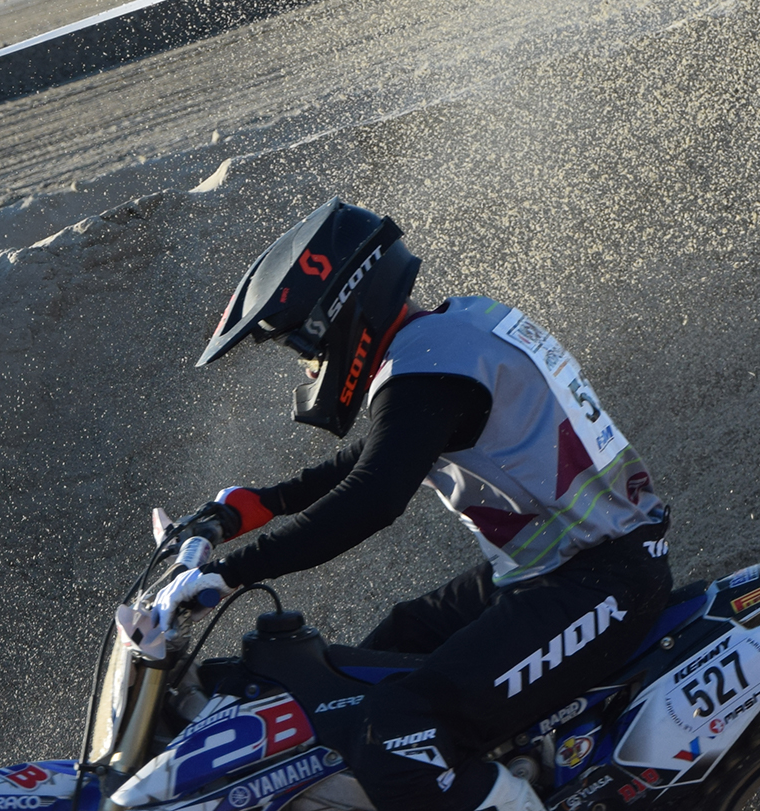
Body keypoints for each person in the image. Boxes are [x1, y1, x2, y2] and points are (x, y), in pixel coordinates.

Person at [149, 200, 672, 811]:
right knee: (370, 666)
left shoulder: (427, 368)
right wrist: (255, 505)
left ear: (339, 314)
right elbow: (381, 452)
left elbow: (374, 495)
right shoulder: (448, 334)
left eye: (305, 347)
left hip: (600, 579)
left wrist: (231, 572)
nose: (311, 367)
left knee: (396, 736)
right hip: (562, 564)